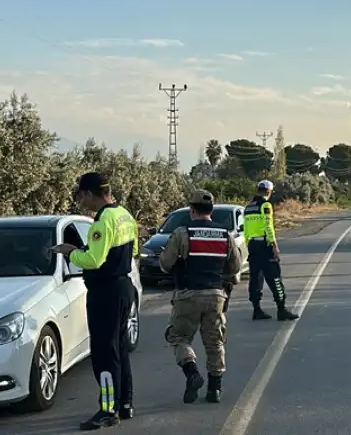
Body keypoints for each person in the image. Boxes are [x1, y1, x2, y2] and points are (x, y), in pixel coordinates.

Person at [50, 172, 138, 431]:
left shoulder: (102, 221)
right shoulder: (124, 214)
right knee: (120, 348)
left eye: (81, 195)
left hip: (105, 292)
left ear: (89, 193)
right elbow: (133, 251)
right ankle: (125, 404)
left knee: (103, 353)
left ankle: (108, 410)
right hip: (123, 286)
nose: (81, 201)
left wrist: (71, 252)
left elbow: (94, 261)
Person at [159, 190, 243, 404]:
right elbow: (235, 267)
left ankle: (192, 373)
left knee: (179, 338)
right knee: (214, 342)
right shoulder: (225, 235)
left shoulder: (182, 232)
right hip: (216, 295)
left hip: (187, 294)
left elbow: (165, 264)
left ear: (191, 210)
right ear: (212, 211)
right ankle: (215, 389)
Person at [243, 180, 299, 321]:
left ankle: (257, 310)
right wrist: (274, 245)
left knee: (255, 279)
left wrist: (248, 244)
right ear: (269, 192)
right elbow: (268, 226)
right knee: (275, 278)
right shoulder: (266, 205)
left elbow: (246, 229)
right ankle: (281, 309)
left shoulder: (248, 207)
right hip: (265, 246)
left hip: (252, 246)